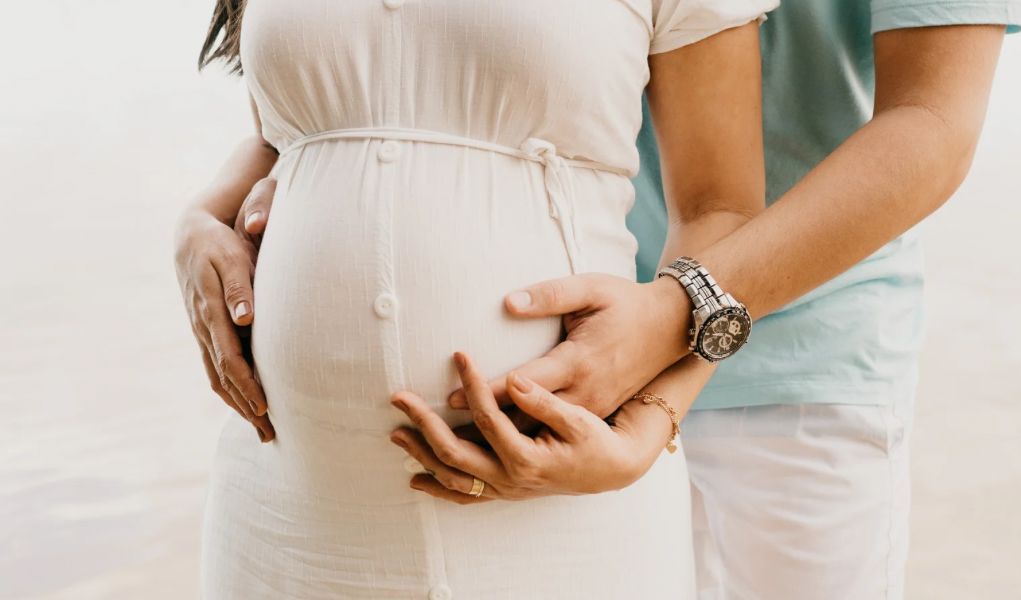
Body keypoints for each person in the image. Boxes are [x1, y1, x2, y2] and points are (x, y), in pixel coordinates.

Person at [183, 2, 1021, 599]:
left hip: (795, 360)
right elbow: (391, 80)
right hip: (560, 352)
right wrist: (202, 216)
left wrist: (669, 340)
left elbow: (933, 124)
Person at [175, 0, 777, 598]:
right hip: (288, 505)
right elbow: (285, 134)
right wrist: (202, 218)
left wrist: (650, 418)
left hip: (562, 508)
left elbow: (719, 210)